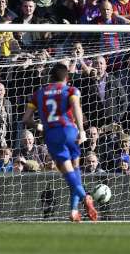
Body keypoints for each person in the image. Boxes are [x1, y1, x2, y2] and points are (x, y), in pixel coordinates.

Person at [22, 63, 98, 222]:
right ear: (67, 77)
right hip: (71, 131)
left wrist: (38, 126)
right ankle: (73, 211)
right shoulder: (71, 90)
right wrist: (82, 131)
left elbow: (26, 119)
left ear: (50, 77)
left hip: (53, 134)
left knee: (68, 173)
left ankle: (85, 197)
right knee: (75, 171)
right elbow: (76, 107)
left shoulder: (39, 94)